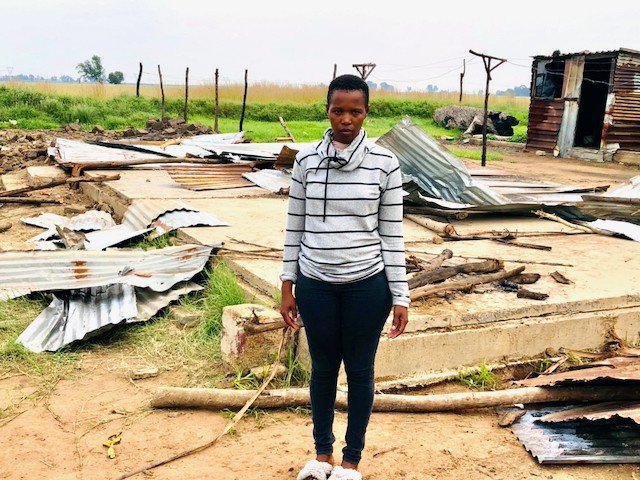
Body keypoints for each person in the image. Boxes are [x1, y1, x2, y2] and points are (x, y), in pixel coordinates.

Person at [279, 74, 409, 480]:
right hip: (315, 285)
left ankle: (351, 461)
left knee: (359, 371)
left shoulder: (385, 164)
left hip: (367, 287)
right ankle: (322, 457)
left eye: (355, 111)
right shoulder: (305, 161)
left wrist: (401, 295)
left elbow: (392, 233)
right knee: (321, 369)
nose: (346, 119)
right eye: (339, 110)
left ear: (367, 112)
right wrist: (288, 283)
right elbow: (294, 226)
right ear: (327, 111)